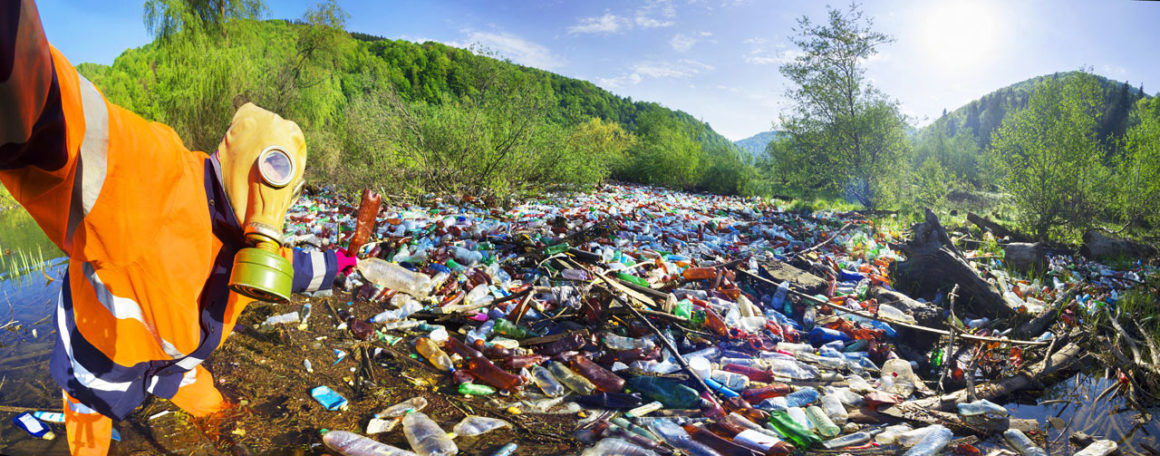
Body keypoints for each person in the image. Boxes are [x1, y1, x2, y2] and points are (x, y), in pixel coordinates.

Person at [1, 1, 357, 454]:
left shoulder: (251, 245)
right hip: (100, 369)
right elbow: (65, 124)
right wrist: (15, 52)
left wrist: (343, 263)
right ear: (237, 159)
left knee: (220, 412)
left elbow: (292, 268)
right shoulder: (156, 178)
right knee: (90, 442)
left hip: (176, 364)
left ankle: (219, 428)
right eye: (267, 167)